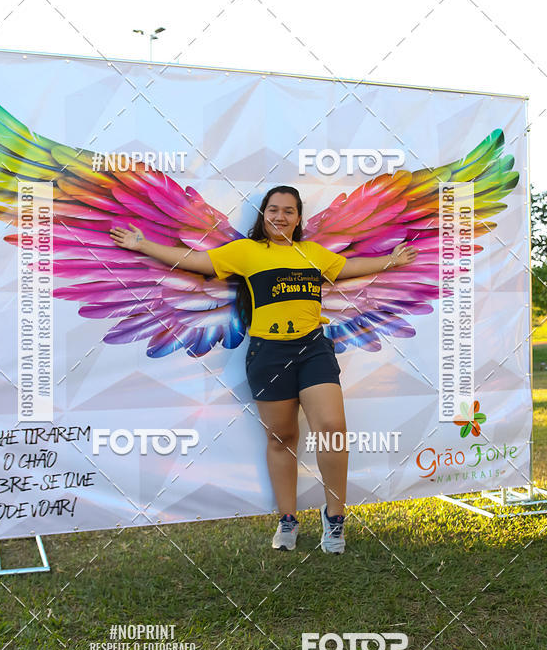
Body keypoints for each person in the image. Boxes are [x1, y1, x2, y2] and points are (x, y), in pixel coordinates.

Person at [109, 186, 417, 554]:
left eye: (289, 210)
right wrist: (142, 245)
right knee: (281, 438)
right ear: (263, 214)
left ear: (299, 217)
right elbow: (196, 261)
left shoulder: (312, 253)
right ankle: (287, 519)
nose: (280, 217)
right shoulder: (246, 251)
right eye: (273, 209)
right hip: (267, 353)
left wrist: (392, 261)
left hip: (313, 350)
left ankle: (335, 518)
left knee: (333, 430)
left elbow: (347, 269)